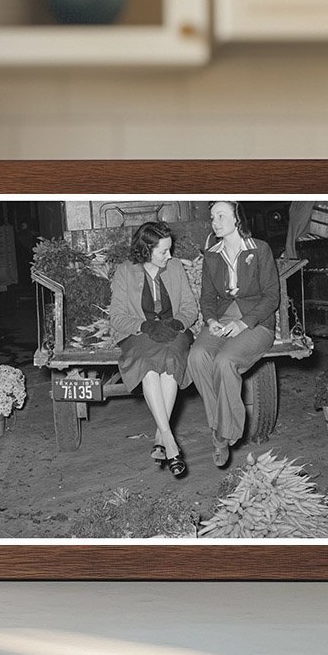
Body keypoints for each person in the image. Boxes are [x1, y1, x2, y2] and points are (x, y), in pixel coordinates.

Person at [188, 200, 280, 468]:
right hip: (223, 317)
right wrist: (211, 319)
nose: (215, 222)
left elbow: (272, 296)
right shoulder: (212, 255)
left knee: (225, 361)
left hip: (257, 322)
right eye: (212, 217)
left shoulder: (259, 249)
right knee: (197, 356)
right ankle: (220, 423)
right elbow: (207, 297)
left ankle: (221, 436)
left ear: (237, 218)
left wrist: (244, 323)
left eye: (221, 215)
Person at [109, 221, 198, 478]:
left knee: (171, 363)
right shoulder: (125, 272)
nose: (169, 256)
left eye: (170, 250)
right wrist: (145, 326)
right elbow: (117, 316)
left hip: (174, 331)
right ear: (146, 250)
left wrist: (177, 323)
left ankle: (161, 437)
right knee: (148, 367)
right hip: (139, 334)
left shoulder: (176, 267)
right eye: (163, 251)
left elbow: (190, 308)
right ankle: (169, 442)